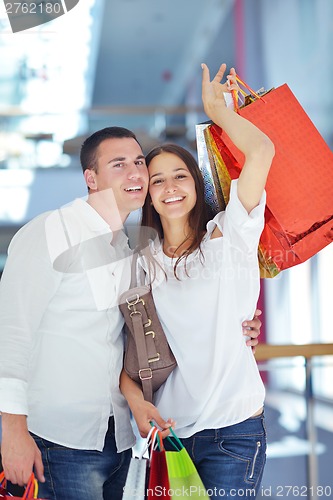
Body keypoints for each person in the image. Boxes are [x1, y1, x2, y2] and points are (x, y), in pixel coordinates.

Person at [0, 125, 262, 499]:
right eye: (118, 164)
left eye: (139, 161)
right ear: (91, 178)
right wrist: (12, 431)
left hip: (120, 442)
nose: (135, 172)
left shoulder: (131, 253)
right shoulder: (48, 232)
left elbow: (136, 339)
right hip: (60, 440)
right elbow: (11, 334)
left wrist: (240, 324)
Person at [120, 62, 275, 498]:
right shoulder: (140, 262)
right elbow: (120, 349)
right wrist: (136, 404)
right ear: (146, 193)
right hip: (169, 435)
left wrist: (219, 112)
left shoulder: (227, 236)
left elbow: (261, 152)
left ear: (196, 184)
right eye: (157, 180)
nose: (170, 187)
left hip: (234, 432)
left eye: (180, 176)